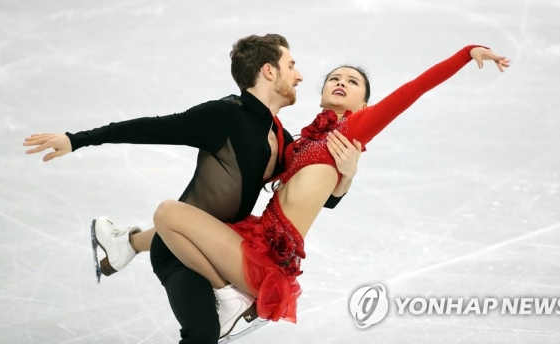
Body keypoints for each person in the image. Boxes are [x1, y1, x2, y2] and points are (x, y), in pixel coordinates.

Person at [22, 34, 362, 343]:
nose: (299, 76)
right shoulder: (225, 116)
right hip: (177, 248)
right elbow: (152, 129)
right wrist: (77, 140)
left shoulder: (278, 134)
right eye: (291, 66)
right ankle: (134, 247)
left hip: (219, 243)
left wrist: (345, 177)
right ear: (269, 72)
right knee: (202, 333)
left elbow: (314, 196)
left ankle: (125, 244)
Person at [148, 45, 510, 325]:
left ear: (364, 103)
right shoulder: (302, 141)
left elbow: (411, 91)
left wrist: (465, 54)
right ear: (321, 92)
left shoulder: (354, 130)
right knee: (192, 222)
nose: (341, 82)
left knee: (169, 213)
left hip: (264, 260)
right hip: (255, 238)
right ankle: (128, 243)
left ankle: (227, 296)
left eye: (353, 82)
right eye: (335, 78)